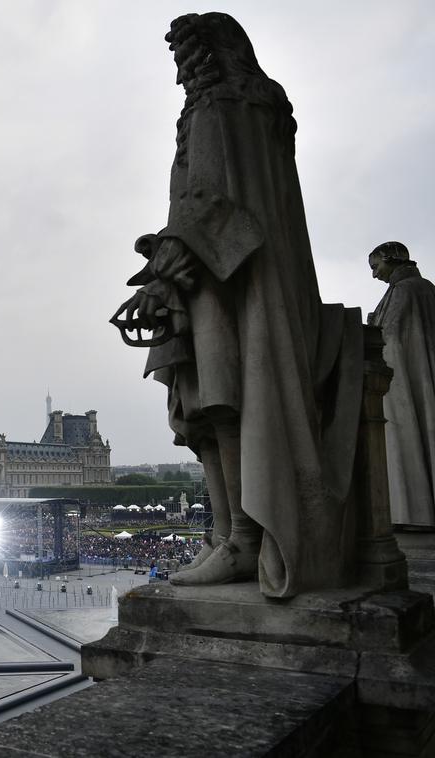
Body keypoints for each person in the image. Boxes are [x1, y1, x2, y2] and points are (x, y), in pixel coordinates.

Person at [112, 13, 363, 597]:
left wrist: (162, 272)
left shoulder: (214, 109)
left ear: (206, 54)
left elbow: (207, 205)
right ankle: (233, 535)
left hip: (223, 280)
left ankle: (241, 538)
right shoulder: (264, 113)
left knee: (216, 403)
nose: (179, 70)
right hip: (258, 274)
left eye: (183, 54)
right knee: (217, 400)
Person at [368, 241, 435, 529]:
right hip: (412, 376)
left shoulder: (405, 290)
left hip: (400, 379)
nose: (374, 275)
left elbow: (390, 338)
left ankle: (412, 512)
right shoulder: (421, 289)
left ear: (389, 258)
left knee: (403, 435)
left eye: (375, 266)